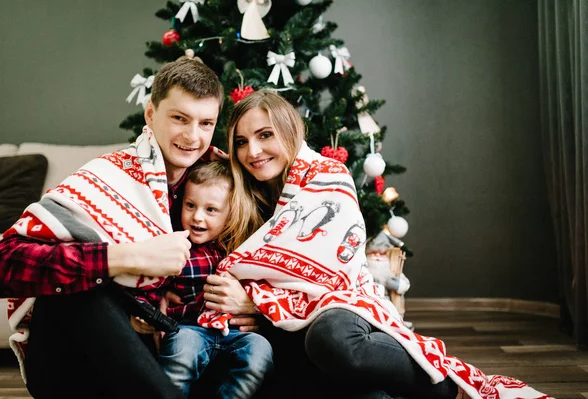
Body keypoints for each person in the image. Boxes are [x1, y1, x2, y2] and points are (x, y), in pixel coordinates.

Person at [198, 89, 554, 399]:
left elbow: (329, 275)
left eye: (265, 135)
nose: (253, 151)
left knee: (332, 339)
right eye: (241, 142)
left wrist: (257, 301)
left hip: (342, 306)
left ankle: (448, 391)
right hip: (283, 333)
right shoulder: (238, 194)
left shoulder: (326, 178)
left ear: (290, 134)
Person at [0, 58, 258, 399]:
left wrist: (252, 304)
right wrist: (127, 257)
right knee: (79, 289)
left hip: (175, 352)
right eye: (179, 118)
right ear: (150, 115)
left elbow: (273, 261)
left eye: (206, 123)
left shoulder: (220, 183)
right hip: (76, 363)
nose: (193, 136)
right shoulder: (110, 177)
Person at [132, 160, 273, 398]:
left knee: (261, 350)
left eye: (211, 210)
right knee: (182, 352)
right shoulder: (176, 245)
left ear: (230, 214)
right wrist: (159, 302)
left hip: (233, 332)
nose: (197, 217)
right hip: (189, 328)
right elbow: (151, 283)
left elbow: (266, 282)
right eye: (190, 205)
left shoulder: (239, 248)